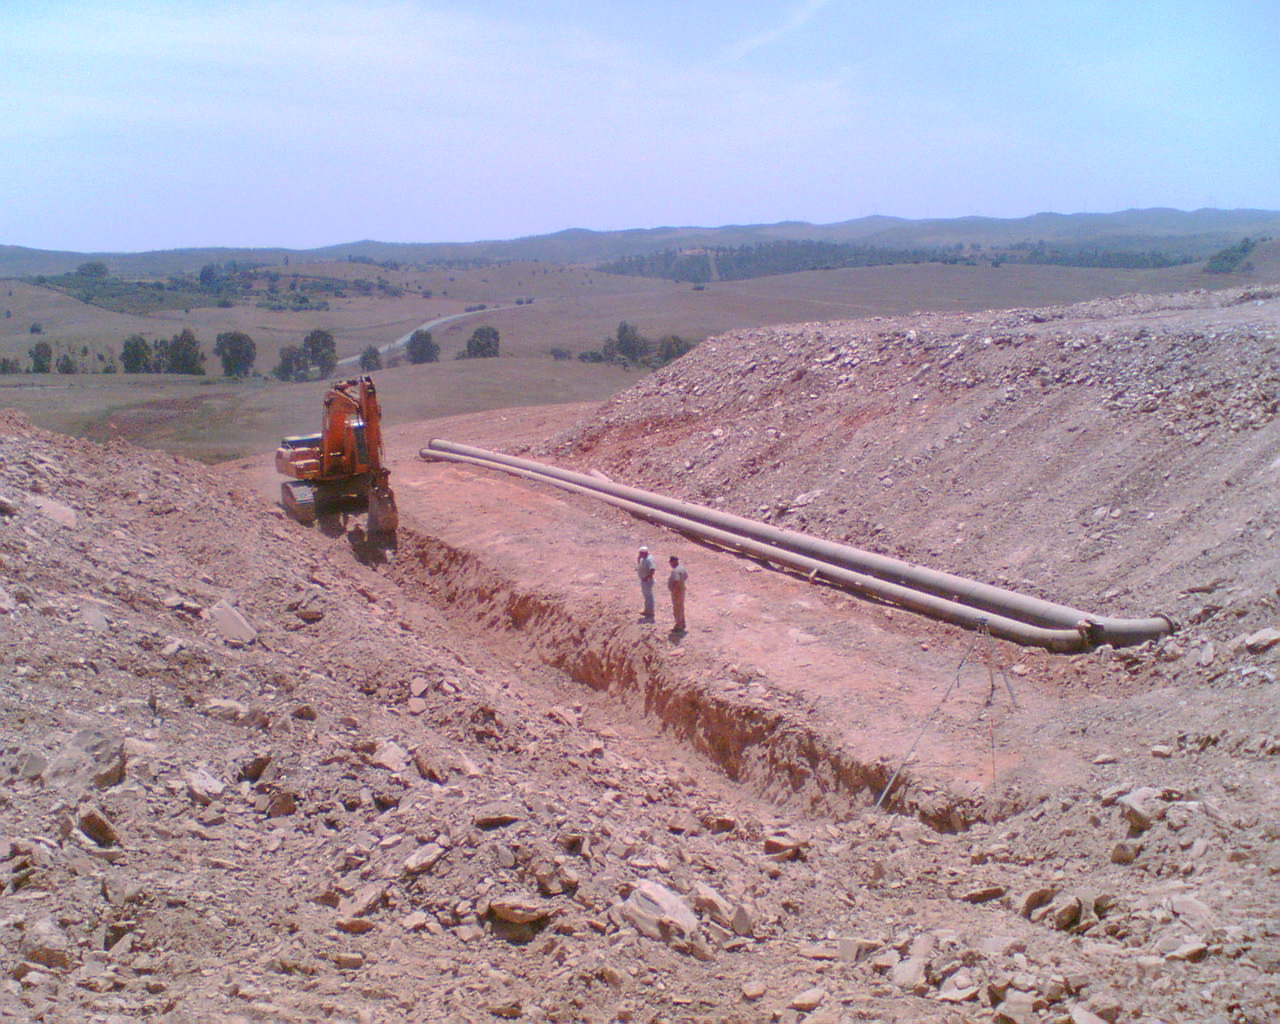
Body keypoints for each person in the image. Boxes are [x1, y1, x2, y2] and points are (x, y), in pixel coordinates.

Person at [667, 554, 688, 633]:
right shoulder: (682, 568)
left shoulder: (676, 571)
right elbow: (686, 577)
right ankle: (682, 623)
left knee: (677, 608)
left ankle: (678, 626)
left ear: (674, 562)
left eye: (671, 562)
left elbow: (676, 581)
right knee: (681, 607)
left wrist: (674, 591)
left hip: (677, 591)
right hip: (682, 589)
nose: (670, 564)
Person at [636, 545, 656, 620]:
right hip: (644, 579)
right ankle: (646, 610)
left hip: (647, 581)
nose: (639, 554)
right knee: (646, 596)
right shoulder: (644, 559)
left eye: (641, 553)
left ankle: (650, 611)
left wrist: (647, 578)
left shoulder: (649, 560)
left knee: (649, 596)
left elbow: (653, 570)